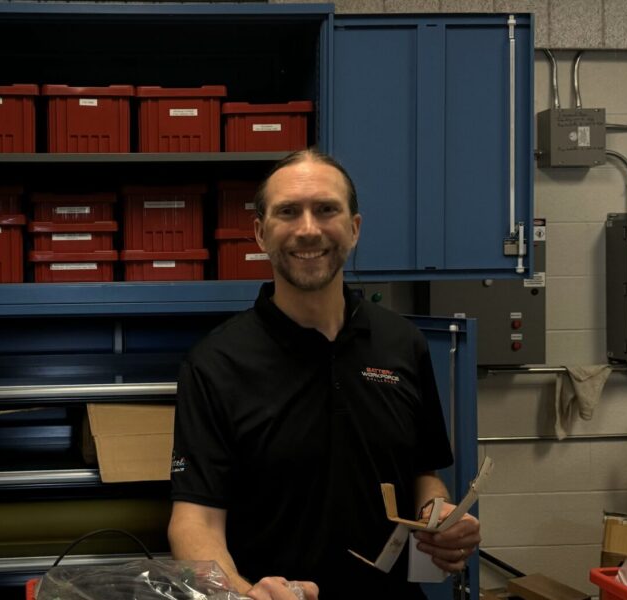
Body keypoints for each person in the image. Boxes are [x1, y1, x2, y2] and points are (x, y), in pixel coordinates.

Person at [168, 149, 481, 600]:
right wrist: (239, 593)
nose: (308, 229)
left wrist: (439, 518)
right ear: (260, 233)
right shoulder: (215, 363)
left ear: (354, 228)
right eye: (288, 212)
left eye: (326, 209)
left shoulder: (402, 343)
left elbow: (421, 473)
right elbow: (194, 521)